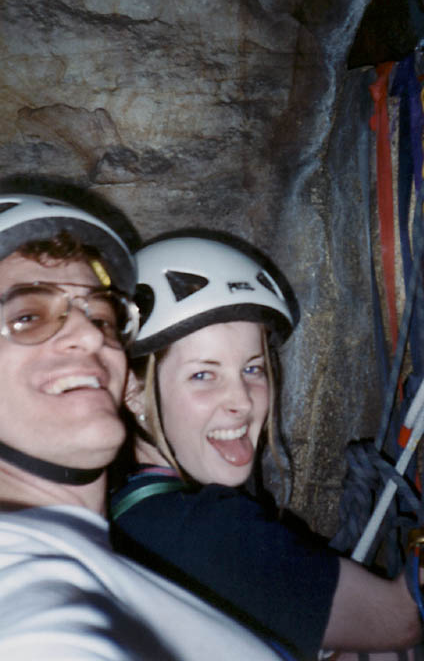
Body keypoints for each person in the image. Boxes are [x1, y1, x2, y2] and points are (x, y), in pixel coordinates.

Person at [110, 230, 424, 660]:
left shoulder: (129, 512)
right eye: (202, 375)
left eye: (252, 368)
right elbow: (401, 617)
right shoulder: (201, 531)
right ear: (134, 391)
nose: (242, 401)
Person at [0, 194, 289, 661]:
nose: (92, 333)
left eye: (100, 315)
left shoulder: (100, 556)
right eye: (28, 317)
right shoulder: (25, 592)